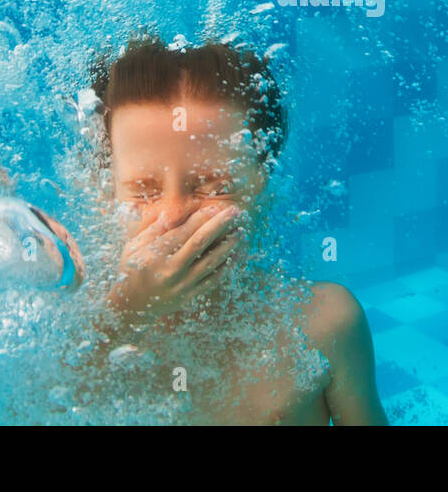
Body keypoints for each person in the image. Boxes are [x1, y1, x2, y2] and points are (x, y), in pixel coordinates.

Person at [89, 35, 388, 425]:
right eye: (144, 191)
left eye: (216, 186)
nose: (175, 214)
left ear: (265, 185)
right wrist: (127, 310)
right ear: (105, 193)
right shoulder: (89, 339)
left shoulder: (324, 324)